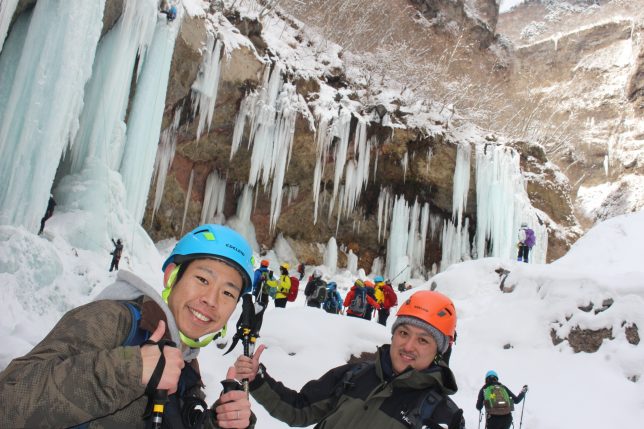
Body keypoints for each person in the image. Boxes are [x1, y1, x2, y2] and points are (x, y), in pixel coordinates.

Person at [0, 224, 255, 428]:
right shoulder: (113, 320)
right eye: (202, 279)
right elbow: (9, 402)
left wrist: (219, 422)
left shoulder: (188, 366)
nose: (211, 300)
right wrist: (131, 369)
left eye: (228, 293)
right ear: (172, 276)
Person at [233, 290, 465, 429]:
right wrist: (257, 380)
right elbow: (299, 409)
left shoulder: (441, 415)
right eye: (403, 333)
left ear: (439, 351)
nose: (408, 346)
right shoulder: (354, 375)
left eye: (423, 340)